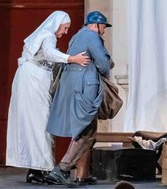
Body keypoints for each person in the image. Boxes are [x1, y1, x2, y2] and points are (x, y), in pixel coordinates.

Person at [6, 11, 90, 184]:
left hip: (31, 80)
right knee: (41, 123)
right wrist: (72, 59)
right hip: (33, 82)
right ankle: (42, 169)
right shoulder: (48, 36)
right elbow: (50, 53)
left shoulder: (43, 36)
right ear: (56, 24)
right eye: (65, 28)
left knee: (37, 124)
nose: (65, 32)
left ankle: (37, 169)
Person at [46, 11, 113, 187]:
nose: (104, 31)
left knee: (87, 132)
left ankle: (81, 173)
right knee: (85, 131)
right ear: (96, 25)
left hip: (75, 86)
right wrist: (106, 68)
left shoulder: (77, 36)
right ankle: (62, 169)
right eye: (103, 27)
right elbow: (103, 63)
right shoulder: (91, 36)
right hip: (85, 88)